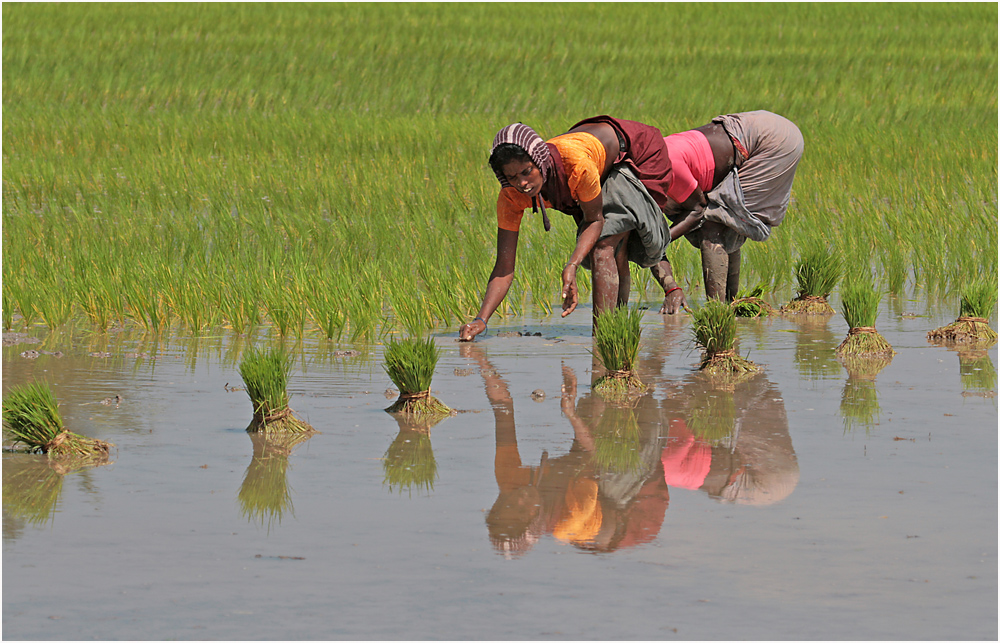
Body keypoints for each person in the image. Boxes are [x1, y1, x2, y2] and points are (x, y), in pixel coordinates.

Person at [458, 117, 704, 342]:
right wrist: (481, 320)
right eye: (512, 177)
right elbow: (504, 267)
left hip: (634, 154)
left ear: (539, 161)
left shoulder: (576, 166)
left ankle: (605, 338)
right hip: (593, 157)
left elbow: (595, 220)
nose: (522, 183)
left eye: (526, 172)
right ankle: (616, 329)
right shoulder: (511, 196)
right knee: (615, 248)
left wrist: (572, 265)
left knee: (604, 244)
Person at [653, 110, 804, 313]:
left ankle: (717, 312)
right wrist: (672, 287)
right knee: (725, 219)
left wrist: (664, 239)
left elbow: (697, 211)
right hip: (752, 128)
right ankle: (731, 306)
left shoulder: (668, 172)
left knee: (712, 225)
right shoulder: (653, 160)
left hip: (771, 142)